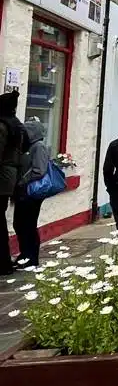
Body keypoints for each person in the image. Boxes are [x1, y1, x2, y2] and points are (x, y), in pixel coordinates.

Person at [13, 119, 49, 269]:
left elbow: (39, 170)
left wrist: (22, 181)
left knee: (27, 225)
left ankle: (31, 257)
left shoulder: (38, 147)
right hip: (23, 193)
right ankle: (24, 254)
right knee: (19, 224)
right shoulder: (28, 147)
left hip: (32, 193)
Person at [0, 90, 27, 275]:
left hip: (2, 177)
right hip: (11, 177)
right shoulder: (17, 125)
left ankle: (3, 263)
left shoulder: (2, 126)